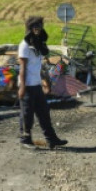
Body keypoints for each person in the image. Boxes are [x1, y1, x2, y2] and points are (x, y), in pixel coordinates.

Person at [17, 16, 67, 149]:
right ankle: (25, 140)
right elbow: (22, 67)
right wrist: (22, 87)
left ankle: (52, 139)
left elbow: (40, 66)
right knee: (27, 114)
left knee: (44, 112)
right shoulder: (24, 45)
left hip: (36, 85)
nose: (37, 29)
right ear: (30, 28)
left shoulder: (38, 45)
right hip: (27, 85)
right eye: (35, 27)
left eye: (39, 26)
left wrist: (46, 81)